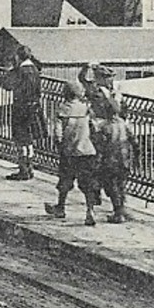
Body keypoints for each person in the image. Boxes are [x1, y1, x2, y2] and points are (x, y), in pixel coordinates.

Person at [45, 77, 101, 224]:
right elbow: (95, 127)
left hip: (69, 151)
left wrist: (59, 144)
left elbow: (57, 132)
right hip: (87, 150)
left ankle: (61, 207)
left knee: (65, 181)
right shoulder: (86, 109)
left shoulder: (63, 109)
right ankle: (90, 211)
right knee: (87, 183)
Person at [0, 44, 46, 181]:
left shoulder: (20, 71)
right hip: (34, 108)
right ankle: (30, 169)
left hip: (22, 109)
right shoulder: (35, 69)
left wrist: (9, 72)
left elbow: (7, 85)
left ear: (18, 57)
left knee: (21, 140)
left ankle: (23, 170)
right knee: (29, 141)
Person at [94, 94, 137, 224]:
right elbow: (134, 141)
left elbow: (100, 144)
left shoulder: (104, 126)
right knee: (121, 185)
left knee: (111, 186)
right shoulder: (124, 124)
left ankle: (118, 212)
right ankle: (121, 209)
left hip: (110, 160)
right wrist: (136, 155)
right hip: (124, 159)